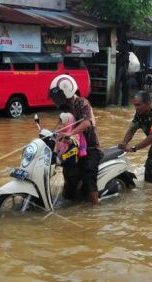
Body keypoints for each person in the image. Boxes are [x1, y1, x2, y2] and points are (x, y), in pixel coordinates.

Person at [49, 74, 103, 205]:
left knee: (89, 175)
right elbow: (60, 125)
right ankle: (68, 201)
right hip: (74, 147)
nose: (56, 99)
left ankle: (96, 206)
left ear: (66, 90)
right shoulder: (66, 108)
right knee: (69, 173)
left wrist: (70, 134)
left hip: (91, 148)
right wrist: (50, 134)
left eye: (58, 95)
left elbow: (87, 123)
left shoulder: (82, 102)